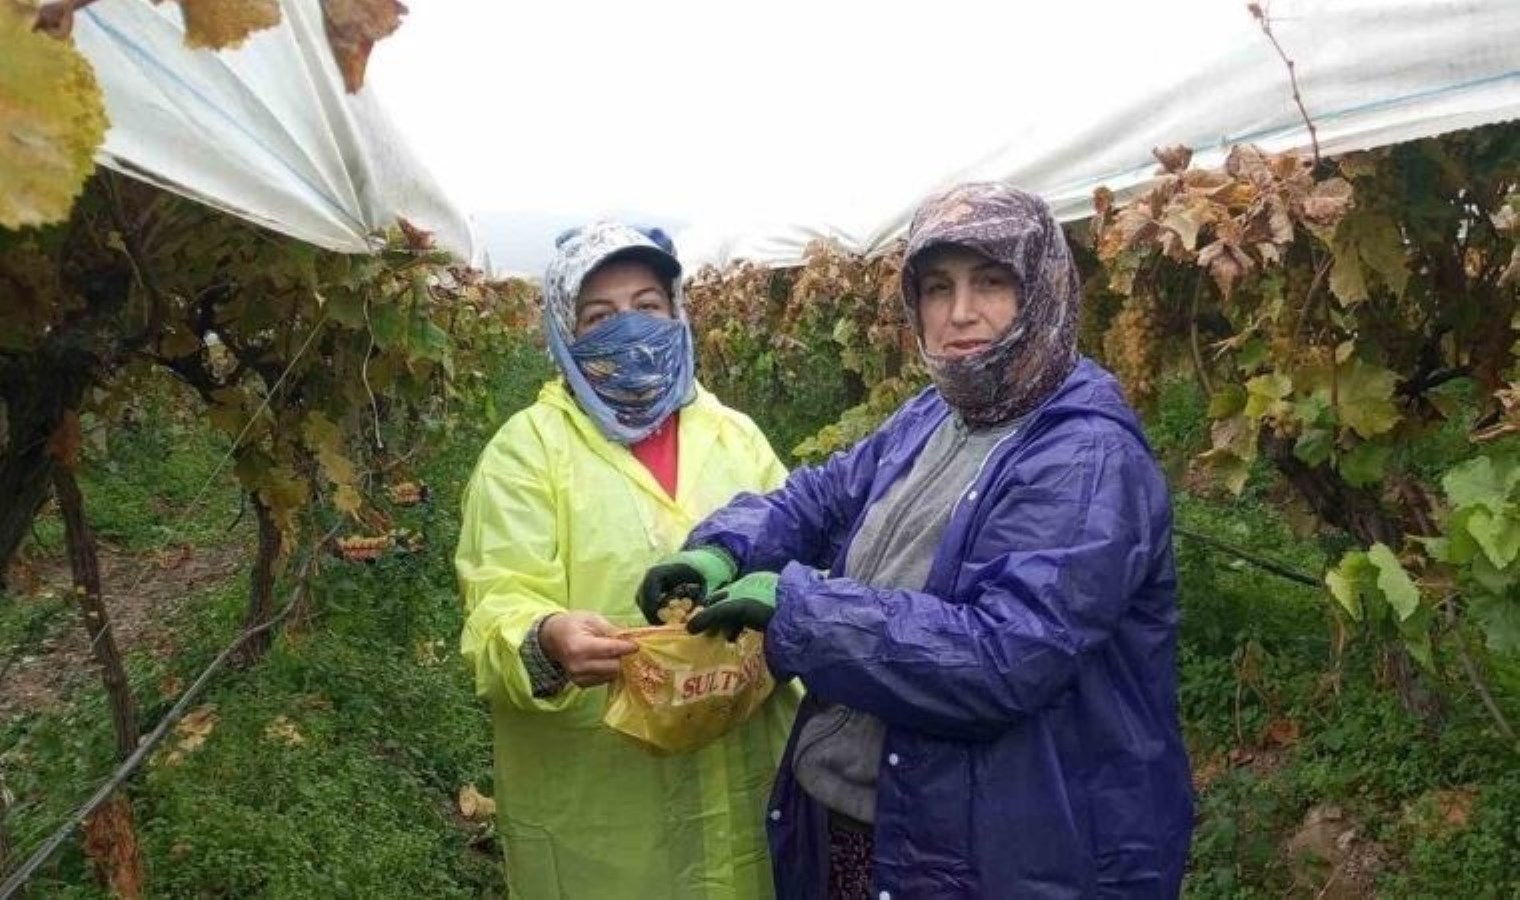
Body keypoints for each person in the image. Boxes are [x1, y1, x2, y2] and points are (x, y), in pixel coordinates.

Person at [637, 184, 1194, 899]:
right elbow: (824, 496)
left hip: (1004, 852)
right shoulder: (939, 414)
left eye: (991, 282)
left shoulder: (1084, 458)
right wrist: (723, 549)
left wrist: (799, 609)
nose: (960, 313)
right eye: (937, 288)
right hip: (883, 824)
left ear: (1046, 291)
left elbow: (1001, 657)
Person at [456, 221, 799, 900]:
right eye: (599, 315)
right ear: (565, 331)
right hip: (604, 810)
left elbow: (800, 549)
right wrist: (545, 641)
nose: (630, 330)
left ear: (677, 313)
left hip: (747, 777)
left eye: (647, 306)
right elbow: (497, 601)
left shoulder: (736, 436)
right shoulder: (527, 452)